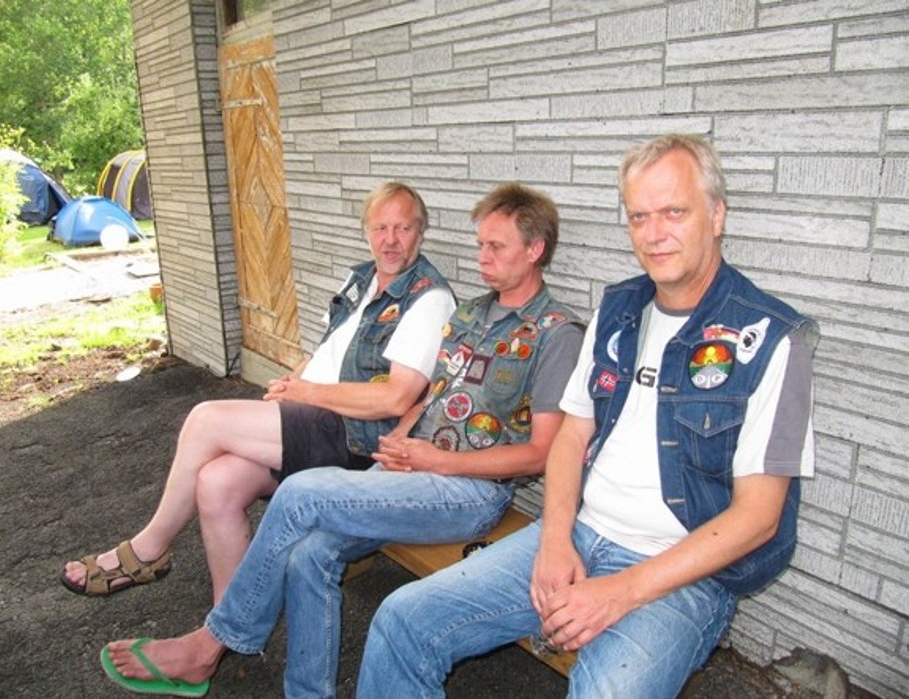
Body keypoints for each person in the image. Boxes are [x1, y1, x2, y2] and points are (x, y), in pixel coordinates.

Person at [357, 135, 819, 698]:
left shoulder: (771, 338)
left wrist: (619, 592)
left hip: (681, 575)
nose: (654, 233)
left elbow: (760, 517)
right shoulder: (618, 310)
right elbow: (572, 435)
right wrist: (555, 538)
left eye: (674, 212)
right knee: (403, 621)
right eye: (639, 216)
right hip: (576, 531)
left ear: (717, 216)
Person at [98, 182, 585, 698]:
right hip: (410, 468)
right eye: (481, 244)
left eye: (496, 247)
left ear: (535, 250)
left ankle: (212, 643)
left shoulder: (557, 334)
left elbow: (541, 454)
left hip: (468, 492)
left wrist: (436, 460)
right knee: (308, 554)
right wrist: (402, 439)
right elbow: (433, 394)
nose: (482, 257)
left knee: (299, 494)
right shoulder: (471, 314)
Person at [61, 181, 456, 603]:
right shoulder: (362, 279)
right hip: (316, 418)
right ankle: (230, 618)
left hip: (356, 441)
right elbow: (330, 348)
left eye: (402, 229)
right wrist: (292, 382)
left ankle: (148, 549)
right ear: (366, 231)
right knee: (217, 482)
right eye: (380, 228)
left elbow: (395, 399)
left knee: (205, 420)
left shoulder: (427, 299)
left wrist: (306, 393)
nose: (390, 240)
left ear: (420, 232)